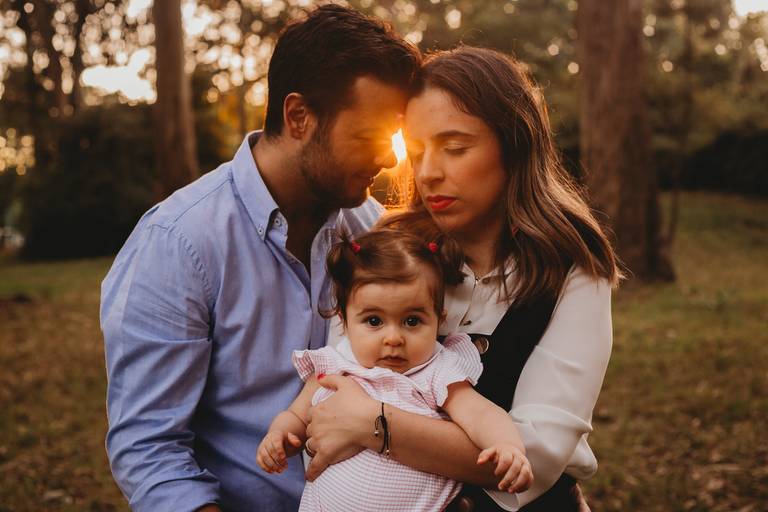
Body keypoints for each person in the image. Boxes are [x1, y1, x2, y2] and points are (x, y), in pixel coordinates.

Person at [100, 6, 420, 511]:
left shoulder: (371, 231)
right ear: (298, 117)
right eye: (368, 137)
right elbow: (150, 449)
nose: (387, 158)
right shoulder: (179, 243)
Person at [302, 46, 622, 511]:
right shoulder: (389, 251)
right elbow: (334, 398)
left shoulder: (572, 267)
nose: (428, 172)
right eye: (415, 152)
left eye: (454, 148)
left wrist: (376, 424)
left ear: (513, 146)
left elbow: (532, 459)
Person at [257, 229, 533, 511]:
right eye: (374, 321)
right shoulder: (335, 365)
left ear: (439, 320)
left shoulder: (437, 371)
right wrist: (280, 436)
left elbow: (480, 413)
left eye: (412, 321)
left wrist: (507, 446)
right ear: (344, 320)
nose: (393, 338)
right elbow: (296, 415)